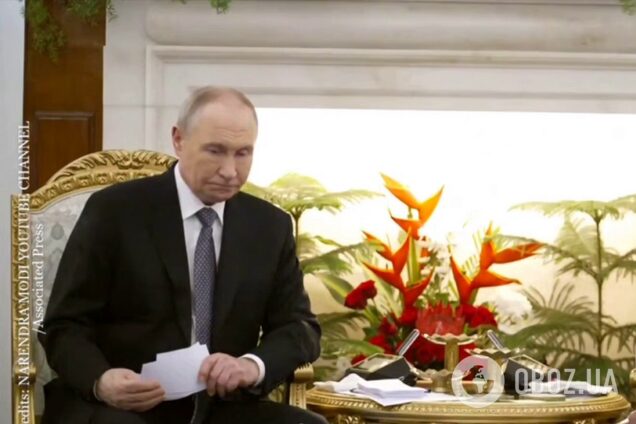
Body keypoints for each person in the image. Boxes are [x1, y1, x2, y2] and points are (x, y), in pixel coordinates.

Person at [39, 87, 326, 424]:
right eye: (215, 151)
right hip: (121, 406)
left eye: (243, 153)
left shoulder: (269, 226)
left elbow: (299, 327)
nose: (230, 170)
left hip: (222, 406)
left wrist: (252, 366)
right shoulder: (115, 211)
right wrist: (101, 381)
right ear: (179, 140)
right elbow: (64, 325)